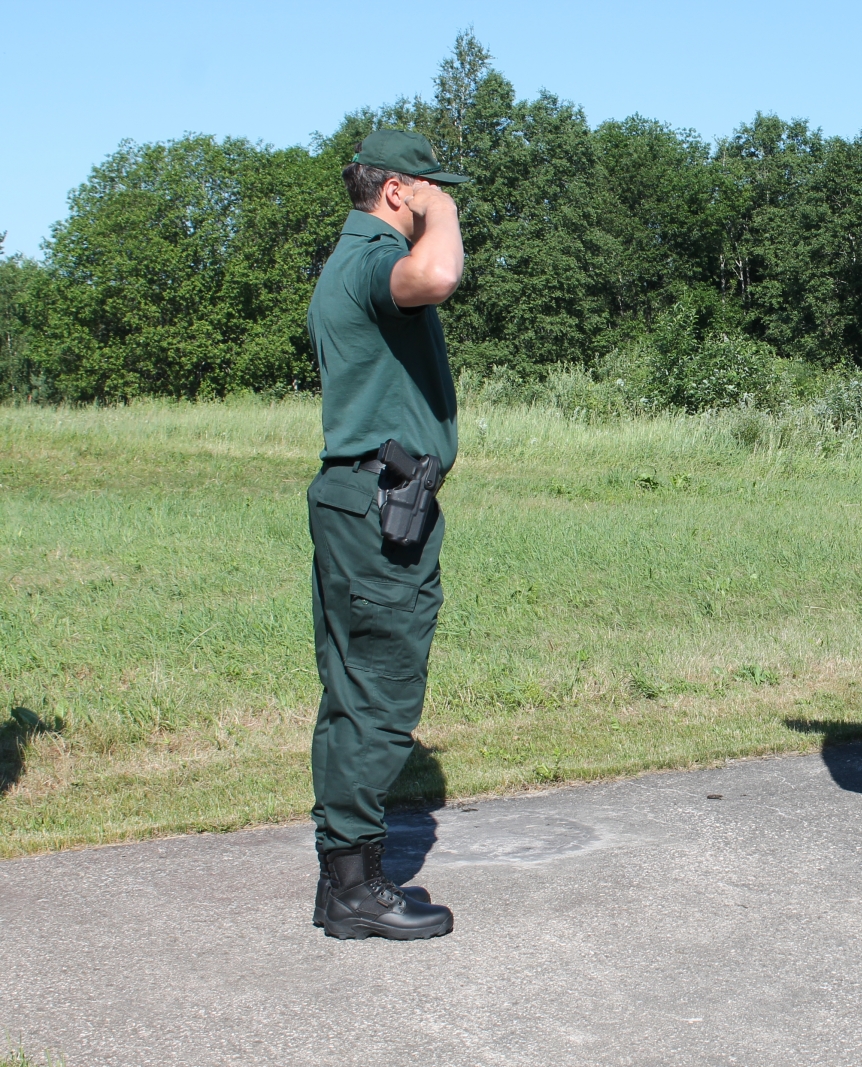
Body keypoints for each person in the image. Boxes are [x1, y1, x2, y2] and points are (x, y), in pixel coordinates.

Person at [304, 129, 469, 940]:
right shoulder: (374, 259)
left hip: (365, 499)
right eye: (432, 185)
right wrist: (443, 214)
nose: (445, 198)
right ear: (396, 190)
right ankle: (355, 889)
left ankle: (344, 879)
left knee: (354, 689)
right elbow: (437, 275)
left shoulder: (348, 263)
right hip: (382, 508)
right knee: (379, 689)